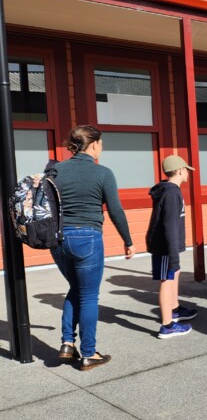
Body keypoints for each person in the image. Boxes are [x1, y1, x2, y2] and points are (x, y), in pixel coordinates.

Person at [52, 125, 135, 371]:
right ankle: (89, 353)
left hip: (58, 240)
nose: (102, 148)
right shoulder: (103, 173)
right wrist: (128, 240)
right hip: (87, 237)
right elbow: (116, 211)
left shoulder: (55, 170)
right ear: (94, 145)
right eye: (101, 143)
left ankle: (67, 343)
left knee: (76, 289)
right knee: (88, 296)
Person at [146, 155, 199, 339]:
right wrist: (173, 253)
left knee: (173, 275)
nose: (187, 173)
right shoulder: (170, 193)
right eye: (186, 170)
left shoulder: (173, 190)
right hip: (165, 247)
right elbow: (168, 224)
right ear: (179, 171)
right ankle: (167, 325)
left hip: (170, 246)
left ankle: (174, 309)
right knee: (166, 281)